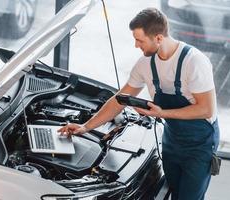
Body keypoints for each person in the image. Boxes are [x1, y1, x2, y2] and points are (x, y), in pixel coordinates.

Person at [58, 8, 220, 200]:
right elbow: (119, 100)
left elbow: (205, 109)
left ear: (159, 38)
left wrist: (162, 114)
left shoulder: (194, 62)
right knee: (174, 193)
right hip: (172, 139)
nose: (136, 45)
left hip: (200, 143)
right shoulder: (145, 65)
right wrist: (86, 127)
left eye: (140, 40)